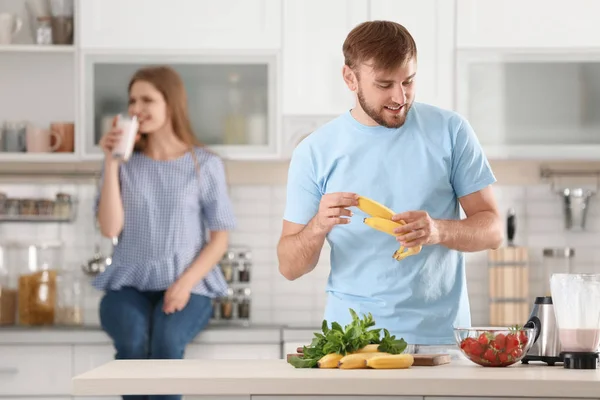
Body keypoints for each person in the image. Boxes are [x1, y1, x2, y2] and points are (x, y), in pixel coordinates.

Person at [277, 20, 503, 353]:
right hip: (351, 343)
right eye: (385, 84)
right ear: (350, 78)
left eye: (408, 81)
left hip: (440, 344)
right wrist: (317, 227)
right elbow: (289, 266)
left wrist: (438, 230)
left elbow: (494, 230)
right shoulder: (315, 151)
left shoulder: (451, 131)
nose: (400, 96)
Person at [94, 66, 236, 400]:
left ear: (170, 104)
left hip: (190, 287)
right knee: (132, 340)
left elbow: (220, 238)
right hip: (128, 287)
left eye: (147, 99)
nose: (135, 108)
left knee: (167, 342)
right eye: (132, 100)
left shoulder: (204, 164)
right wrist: (112, 161)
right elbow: (110, 228)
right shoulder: (124, 164)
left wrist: (184, 284)